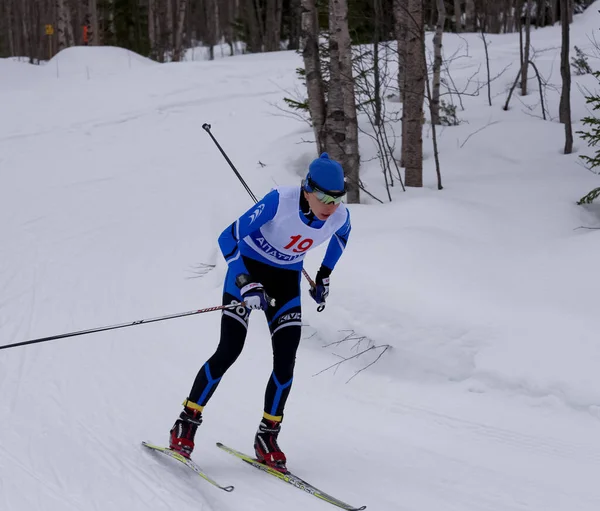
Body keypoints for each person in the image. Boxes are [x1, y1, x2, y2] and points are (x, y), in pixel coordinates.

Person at [169, 153, 352, 472]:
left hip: (285, 284)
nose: (331, 206)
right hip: (247, 271)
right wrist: (244, 281)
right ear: (307, 189)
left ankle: (267, 437)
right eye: (324, 197)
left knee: (285, 361)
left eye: (337, 198)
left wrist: (323, 276)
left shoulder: (339, 216)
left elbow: (341, 239)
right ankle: (186, 422)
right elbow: (228, 237)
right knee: (229, 350)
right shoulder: (279, 201)